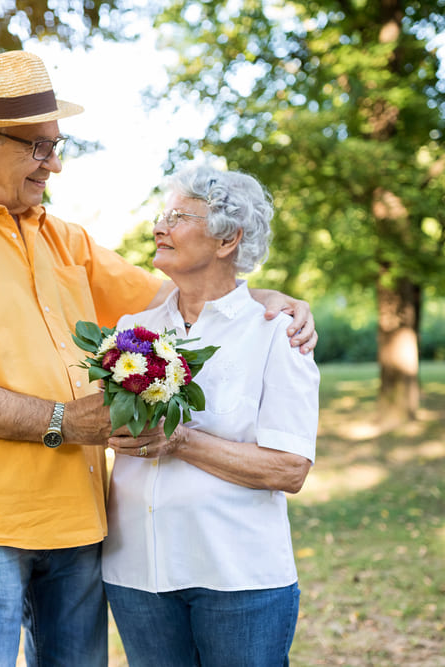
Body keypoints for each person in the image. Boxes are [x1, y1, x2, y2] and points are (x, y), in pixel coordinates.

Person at [0, 50, 317, 666]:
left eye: (58, 145)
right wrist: (63, 420)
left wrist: (266, 297)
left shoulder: (67, 239)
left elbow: (181, 292)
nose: (53, 164)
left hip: (80, 524)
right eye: (37, 148)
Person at [101, 164, 320, 667]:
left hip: (237, 576)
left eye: (178, 216)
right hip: (137, 574)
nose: (160, 226)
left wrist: (181, 441)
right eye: (162, 214)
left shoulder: (276, 332)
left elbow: (289, 468)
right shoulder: (132, 332)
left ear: (228, 241)